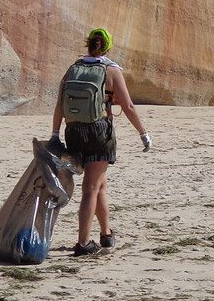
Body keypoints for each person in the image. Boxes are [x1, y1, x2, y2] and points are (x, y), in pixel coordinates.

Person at [50, 28, 151, 256]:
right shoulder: (111, 70)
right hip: (99, 132)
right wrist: (143, 134)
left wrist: (55, 135)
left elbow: (59, 105)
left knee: (100, 185)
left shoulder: (73, 69)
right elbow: (128, 106)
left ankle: (106, 234)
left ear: (88, 45)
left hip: (74, 131)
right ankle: (84, 243)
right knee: (91, 188)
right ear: (107, 47)